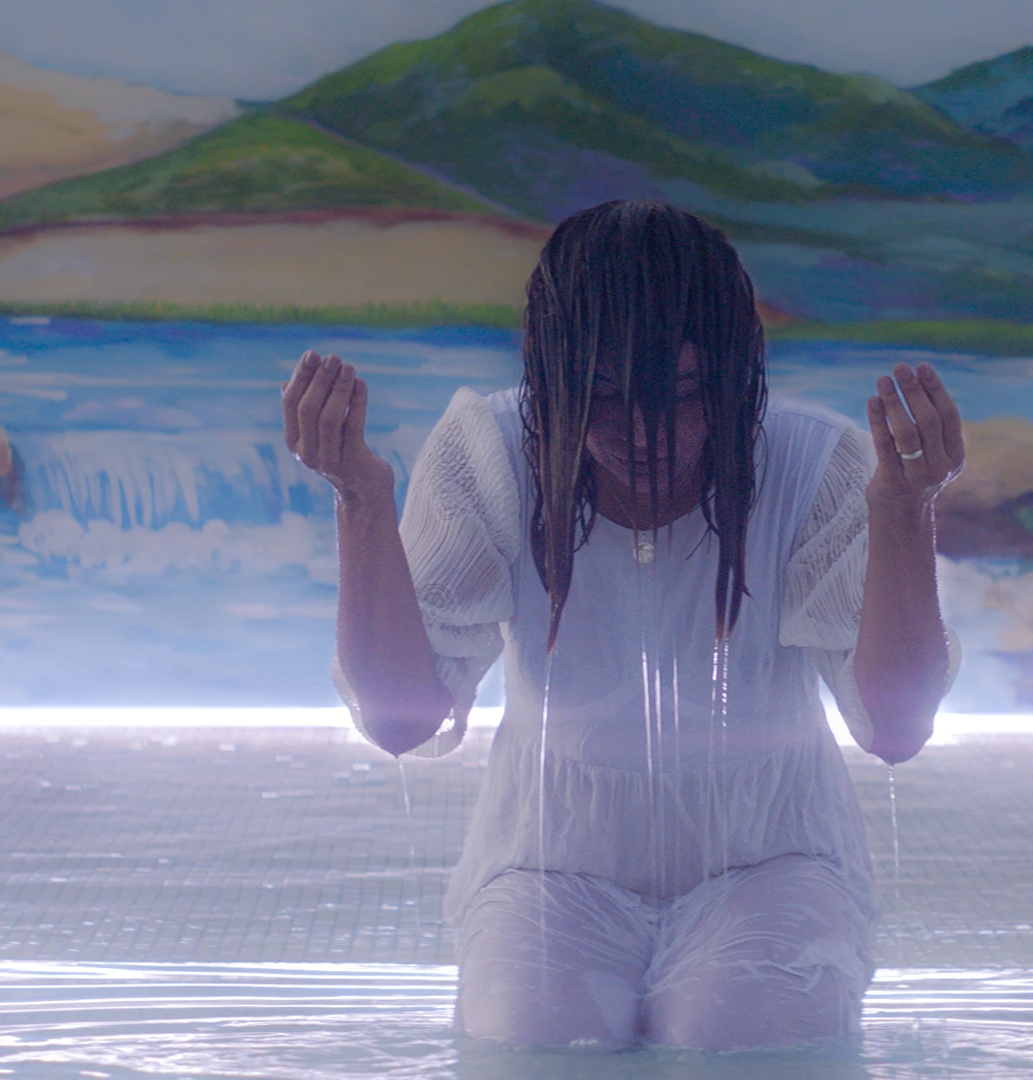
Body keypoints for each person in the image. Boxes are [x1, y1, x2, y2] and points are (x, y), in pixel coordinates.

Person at [281, 201, 963, 1052]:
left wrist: (903, 512)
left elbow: (896, 728)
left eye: (683, 394)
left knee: (739, 1035)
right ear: (548, 376)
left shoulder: (812, 465)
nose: (644, 433)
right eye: (601, 394)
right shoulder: (491, 454)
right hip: (548, 863)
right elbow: (400, 720)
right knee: (533, 1036)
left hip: (775, 859)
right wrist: (361, 498)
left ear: (736, 375)